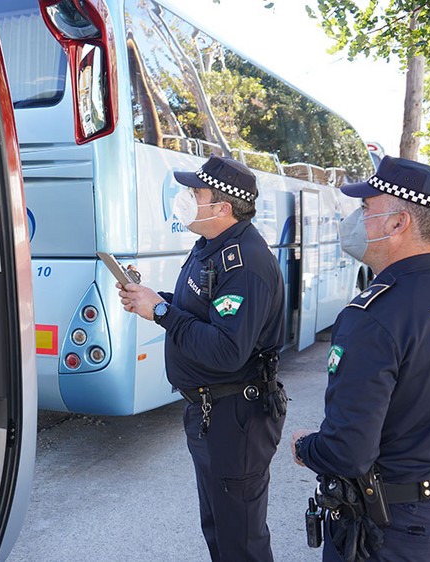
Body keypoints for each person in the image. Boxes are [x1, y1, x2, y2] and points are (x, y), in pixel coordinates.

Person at [291, 156, 430, 561]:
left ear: (398, 223)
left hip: (391, 534)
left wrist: (305, 447)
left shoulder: (373, 317)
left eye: (367, 207)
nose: (357, 217)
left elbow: (347, 452)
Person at [119, 155, 287, 561]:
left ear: (222, 207)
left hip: (235, 417)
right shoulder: (211, 247)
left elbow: (227, 350)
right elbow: (200, 312)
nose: (187, 199)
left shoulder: (245, 263)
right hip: (211, 411)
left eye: (196, 193)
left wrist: (162, 312)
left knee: (240, 540)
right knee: (218, 528)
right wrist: (154, 300)